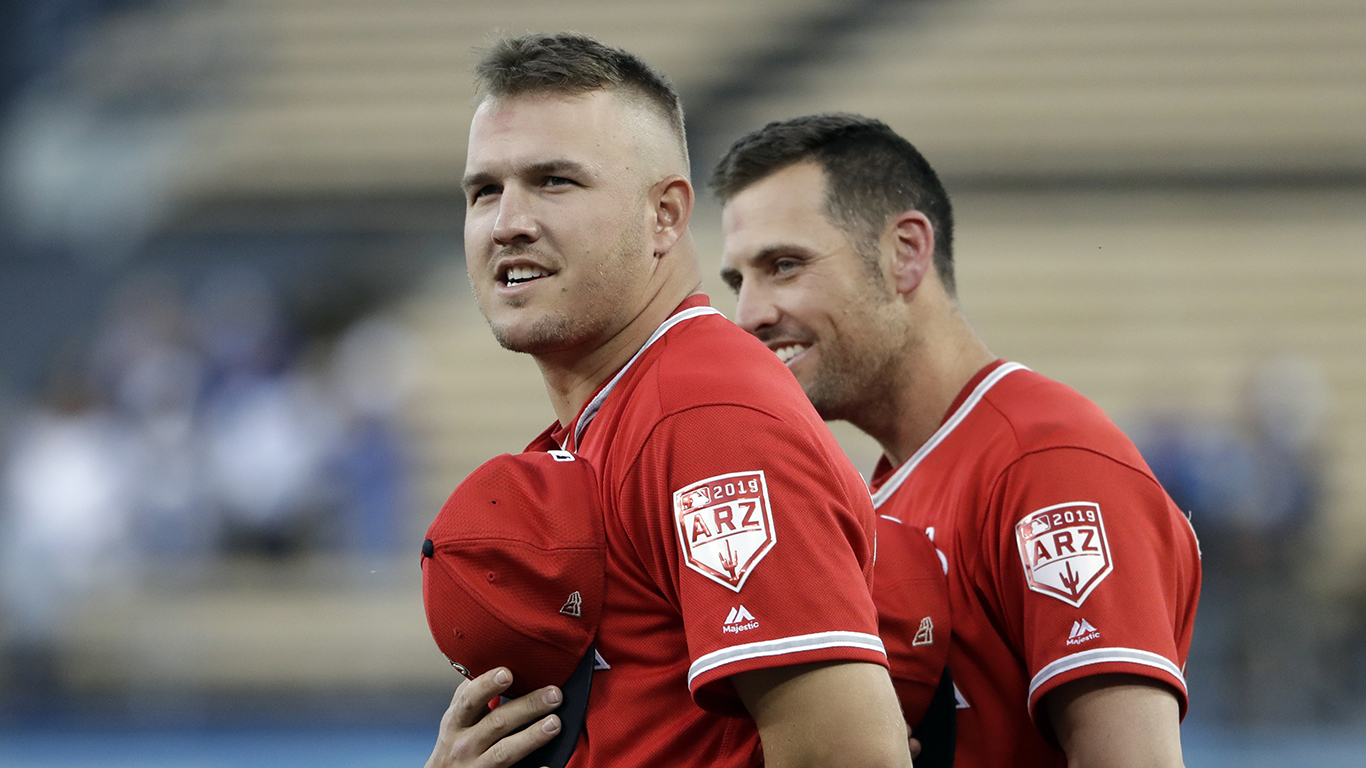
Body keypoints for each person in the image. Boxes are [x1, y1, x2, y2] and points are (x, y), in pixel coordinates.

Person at [424, 36, 929, 768]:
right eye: (484, 191)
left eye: (555, 181)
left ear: (664, 217)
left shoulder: (705, 419)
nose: (509, 222)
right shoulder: (625, 408)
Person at [712, 114, 1201, 768]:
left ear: (905, 253)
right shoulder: (884, 488)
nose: (750, 315)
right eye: (738, 281)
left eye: (784, 265)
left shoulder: (1049, 467)